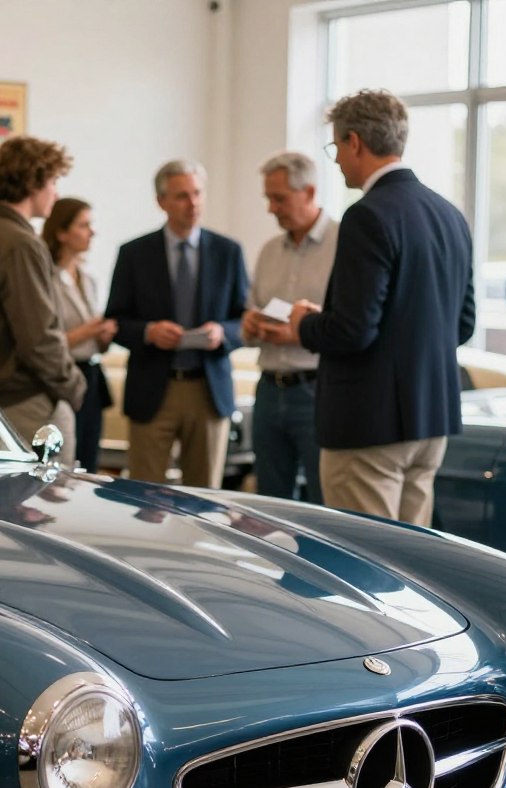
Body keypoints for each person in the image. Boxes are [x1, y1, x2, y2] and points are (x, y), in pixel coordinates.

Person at [289, 88, 474, 527]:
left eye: (336, 146)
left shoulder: (367, 215)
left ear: (355, 142)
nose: (335, 160)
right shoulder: (449, 214)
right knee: (414, 567)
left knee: (367, 570)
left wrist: (305, 323)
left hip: (369, 424)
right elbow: (461, 325)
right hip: (431, 418)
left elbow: (352, 331)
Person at [105, 160, 248, 488]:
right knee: (145, 497)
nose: (193, 203)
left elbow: (245, 321)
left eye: (198, 193)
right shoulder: (134, 254)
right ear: (162, 202)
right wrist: (148, 332)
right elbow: (115, 321)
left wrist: (222, 332)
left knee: (205, 496)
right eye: (182, 195)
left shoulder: (228, 252)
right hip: (154, 388)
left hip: (208, 390)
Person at [0, 135, 85, 459]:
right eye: (52, 180)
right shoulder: (21, 243)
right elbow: (39, 338)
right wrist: (74, 385)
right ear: (33, 181)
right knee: (48, 505)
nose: (56, 192)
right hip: (28, 406)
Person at [241, 151, 337, 501]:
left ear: (309, 193)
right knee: (268, 503)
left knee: (321, 502)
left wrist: (299, 333)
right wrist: (250, 324)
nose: (271, 208)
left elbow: (351, 323)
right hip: (268, 389)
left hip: (317, 390)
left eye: (278, 198)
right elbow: (250, 311)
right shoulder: (269, 251)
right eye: (268, 198)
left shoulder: (345, 243)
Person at [41, 197, 117, 472]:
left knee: (89, 457)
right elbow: (45, 340)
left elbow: (95, 341)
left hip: (92, 375)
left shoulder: (88, 279)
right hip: (64, 374)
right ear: (62, 233)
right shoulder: (46, 280)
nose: (91, 232)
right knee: (66, 459)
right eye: (83, 225)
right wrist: (88, 331)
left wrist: (103, 336)